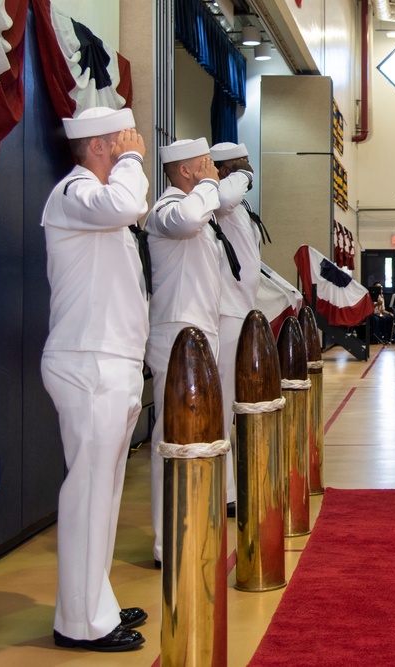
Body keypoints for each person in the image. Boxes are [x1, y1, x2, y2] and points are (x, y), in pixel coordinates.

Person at [41, 107, 149, 652]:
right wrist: (131, 160)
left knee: (104, 492)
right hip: (89, 361)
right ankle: (81, 620)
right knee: (88, 491)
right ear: (101, 146)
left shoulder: (100, 204)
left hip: (112, 360)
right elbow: (128, 202)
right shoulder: (75, 192)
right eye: (124, 141)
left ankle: (94, 601)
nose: (135, 146)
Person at [145, 138, 224, 565]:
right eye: (206, 165)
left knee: (199, 436)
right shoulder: (167, 208)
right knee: (175, 436)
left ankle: (193, 527)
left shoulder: (196, 208)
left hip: (200, 331)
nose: (213, 170)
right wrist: (209, 186)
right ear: (188, 172)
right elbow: (189, 219)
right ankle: (168, 542)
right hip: (176, 335)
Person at [210, 141, 260, 518]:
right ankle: (224, 491)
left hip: (243, 308)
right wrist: (238, 175)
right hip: (226, 312)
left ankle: (232, 484)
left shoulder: (237, 204)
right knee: (224, 404)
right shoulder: (219, 198)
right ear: (223, 170)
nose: (249, 170)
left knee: (236, 403)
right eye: (241, 165)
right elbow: (224, 199)